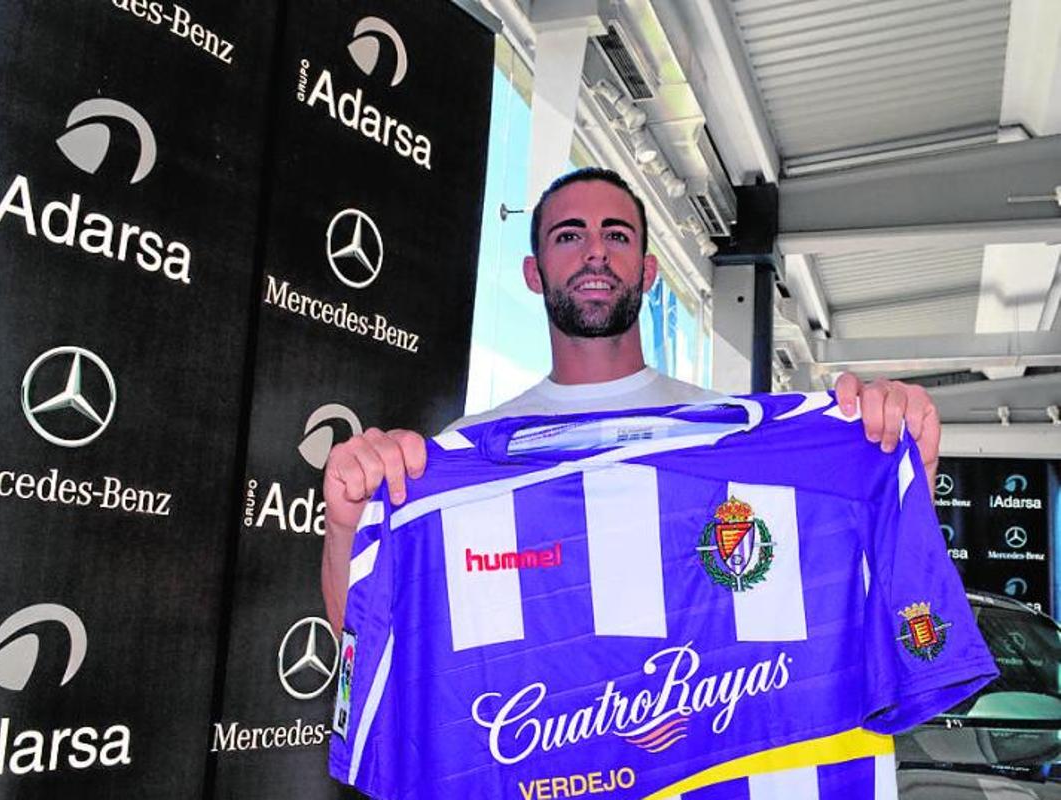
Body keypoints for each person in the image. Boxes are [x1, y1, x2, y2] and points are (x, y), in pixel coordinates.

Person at [321, 166, 940, 635]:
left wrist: (902, 473)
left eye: (615, 235)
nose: (595, 251)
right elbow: (372, 637)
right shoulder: (467, 454)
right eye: (570, 236)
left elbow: (858, 600)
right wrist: (348, 524)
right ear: (534, 273)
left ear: (646, 272)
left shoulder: (729, 439)